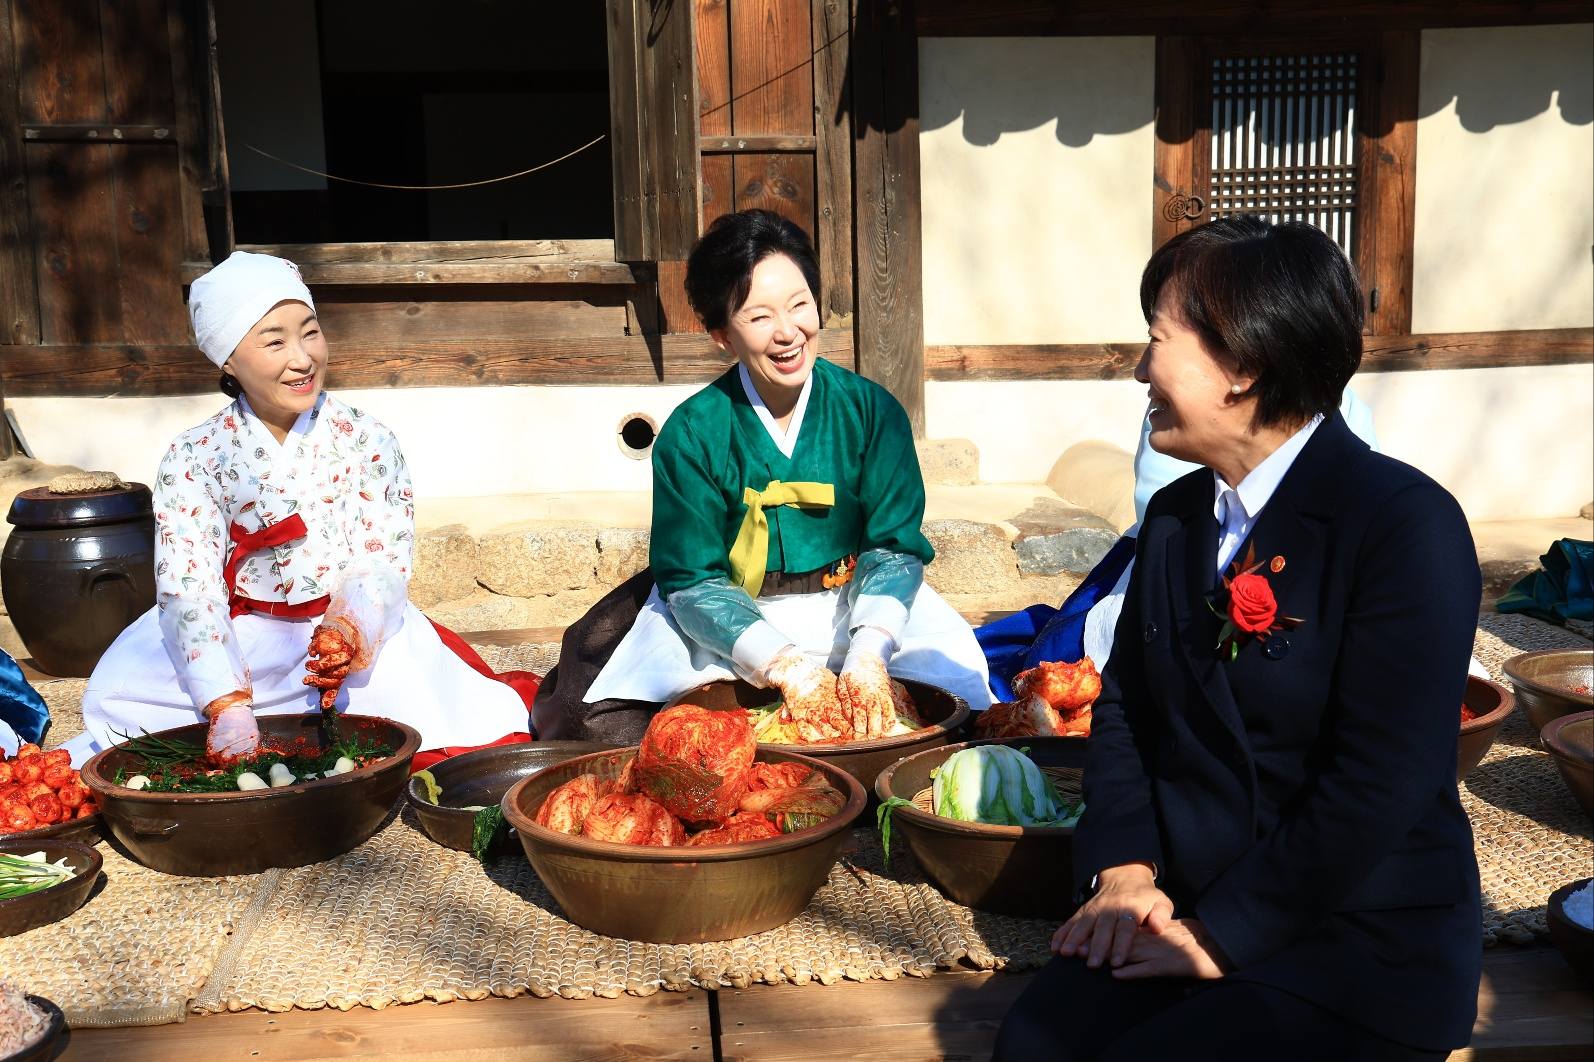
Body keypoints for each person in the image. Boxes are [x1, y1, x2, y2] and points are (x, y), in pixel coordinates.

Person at [994, 217, 1482, 1060]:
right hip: (1183, 901)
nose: (1141, 370)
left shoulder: (1403, 525)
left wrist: (1223, 934)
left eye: (1157, 341)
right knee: (1035, 1044)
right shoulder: (1179, 518)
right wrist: (1124, 871)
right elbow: (1127, 714)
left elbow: (1377, 785)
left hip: (1355, 938)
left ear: (1245, 363)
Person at [532, 209, 991, 742]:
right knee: (606, 721)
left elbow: (892, 546)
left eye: (800, 305)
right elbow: (693, 577)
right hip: (729, 611)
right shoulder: (693, 432)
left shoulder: (873, 413)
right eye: (759, 317)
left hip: (854, 600)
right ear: (723, 336)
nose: (788, 332)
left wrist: (868, 650)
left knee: (965, 698)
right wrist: (784, 663)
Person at [66, 252, 534, 769]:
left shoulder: (368, 440)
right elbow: (190, 586)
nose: (302, 357)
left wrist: (349, 629)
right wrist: (226, 701)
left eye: (310, 332)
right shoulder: (194, 456)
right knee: (128, 708)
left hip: (344, 640)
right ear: (226, 359)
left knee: (423, 713)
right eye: (274, 341)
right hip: (240, 635)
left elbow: (382, 559)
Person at [976, 390, 1379, 701]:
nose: (1142, 371)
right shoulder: (1176, 489)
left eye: (1160, 339)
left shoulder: (1388, 501)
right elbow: (1154, 496)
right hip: (1170, 556)